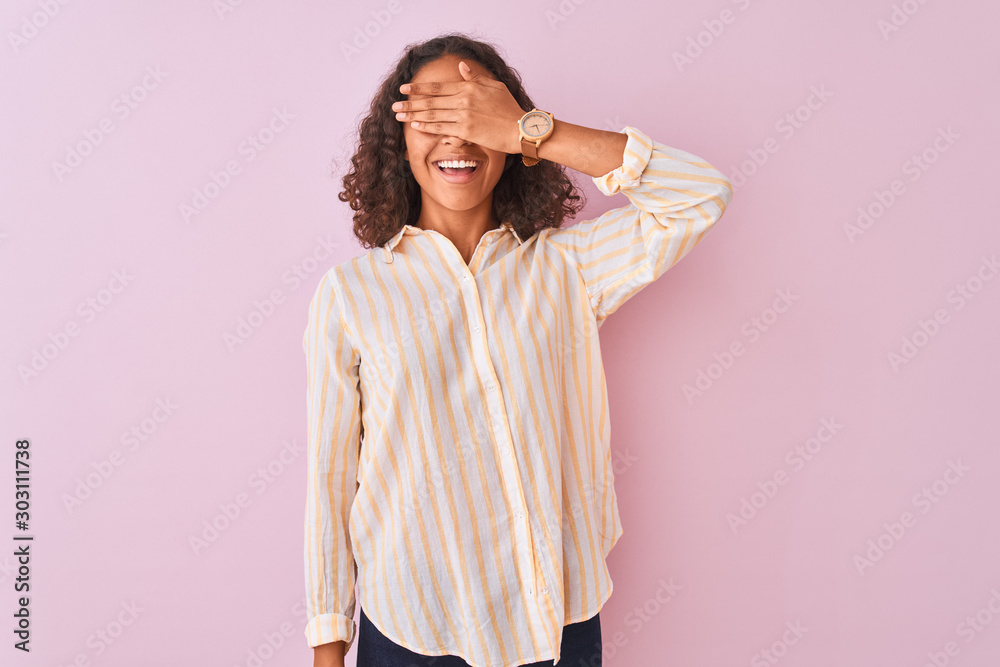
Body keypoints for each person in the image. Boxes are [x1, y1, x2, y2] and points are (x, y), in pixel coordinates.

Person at [303, 32, 733, 667]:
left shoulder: (567, 267)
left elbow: (700, 196)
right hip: (415, 630)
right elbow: (332, 480)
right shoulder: (351, 294)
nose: (456, 134)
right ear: (399, 141)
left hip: (555, 627)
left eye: (474, 111)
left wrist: (534, 128)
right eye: (434, 113)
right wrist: (328, 647)